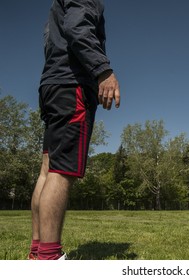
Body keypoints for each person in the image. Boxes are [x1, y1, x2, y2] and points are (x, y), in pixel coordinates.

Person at [28, 0, 120, 260]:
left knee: (47, 170)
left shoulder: (56, 6)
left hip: (52, 85)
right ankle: (49, 257)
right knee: (61, 172)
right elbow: (77, 27)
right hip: (72, 86)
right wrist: (103, 70)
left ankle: (37, 253)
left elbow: (51, 38)